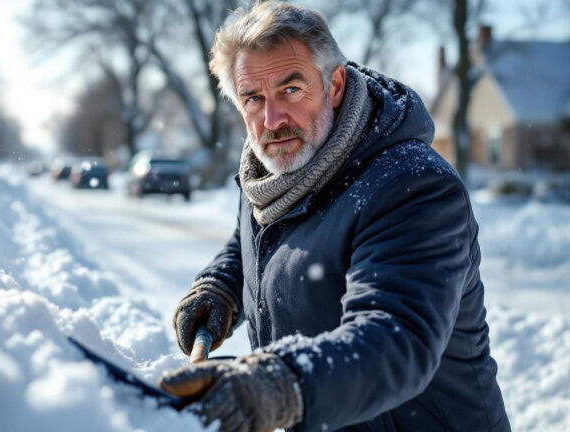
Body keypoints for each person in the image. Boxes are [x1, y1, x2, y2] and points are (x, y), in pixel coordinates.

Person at [158, 2, 510, 432]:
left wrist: (281, 386)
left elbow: (396, 337)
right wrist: (222, 286)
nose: (273, 120)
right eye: (254, 98)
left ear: (336, 84)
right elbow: (258, 240)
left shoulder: (413, 188)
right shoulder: (268, 173)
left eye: (291, 90)